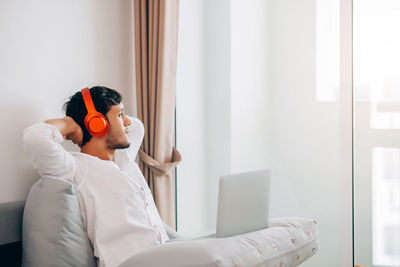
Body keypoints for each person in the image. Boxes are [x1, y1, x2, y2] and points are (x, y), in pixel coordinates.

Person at [23, 86, 169, 267]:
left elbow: (138, 127)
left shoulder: (124, 159)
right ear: (97, 123)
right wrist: (70, 124)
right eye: (120, 114)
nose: (127, 122)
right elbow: (34, 137)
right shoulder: (76, 168)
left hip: (164, 255)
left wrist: (104, 118)